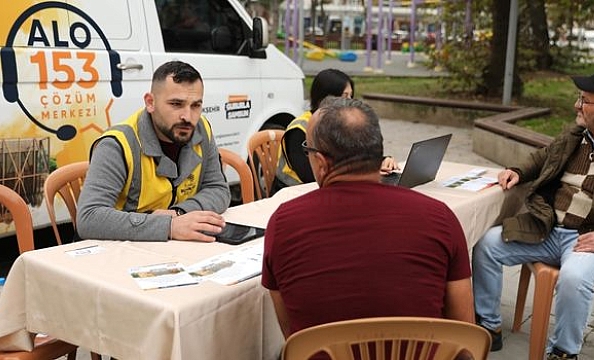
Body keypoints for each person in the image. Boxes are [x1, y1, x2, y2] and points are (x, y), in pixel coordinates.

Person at [262, 97, 474, 341]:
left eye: (307, 150)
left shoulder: (283, 224)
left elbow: (292, 334)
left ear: (320, 163)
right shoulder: (441, 218)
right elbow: (464, 335)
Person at [472, 70, 594, 360]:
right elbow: (543, 157)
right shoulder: (577, 134)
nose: (576, 106)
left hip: (592, 239)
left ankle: (563, 352)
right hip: (548, 227)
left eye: (584, 100)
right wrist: (517, 171)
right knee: (487, 245)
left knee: (574, 277)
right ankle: (488, 327)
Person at [77, 61, 230, 242]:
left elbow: (219, 189)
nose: (188, 117)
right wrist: (168, 226)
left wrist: (179, 213)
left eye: (195, 105)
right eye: (176, 104)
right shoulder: (117, 144)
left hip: (175, 250)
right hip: (119, 253)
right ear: (150, 102)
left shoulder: (201, 127)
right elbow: (89, 218)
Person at [271, 68, 397, 195]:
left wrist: (377, 163)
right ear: (324, 97)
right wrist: (363, 172)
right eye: (344, 96)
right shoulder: (299, 129)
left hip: (331, 191)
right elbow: (310, 175)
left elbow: (354, 154)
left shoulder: (343, 124)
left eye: (351, 96)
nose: (349, 102)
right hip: (291, 193)